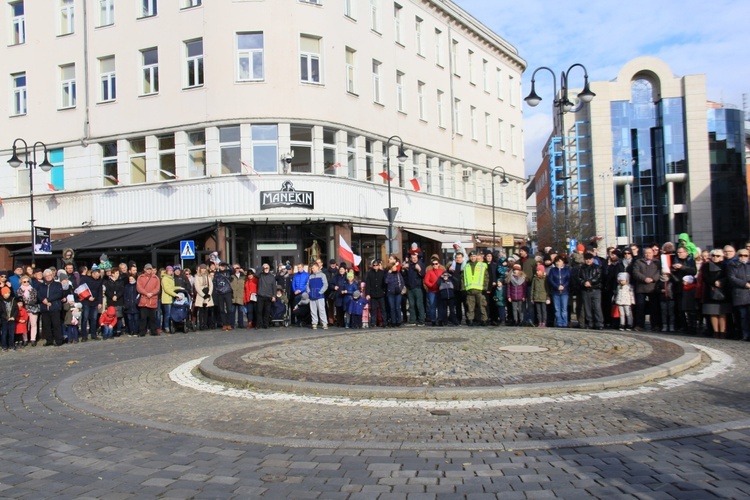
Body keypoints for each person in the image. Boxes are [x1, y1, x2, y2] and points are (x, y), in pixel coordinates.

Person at [699, 249, 731, 338]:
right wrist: (714, 283)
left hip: (723, 291)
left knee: (722, 312)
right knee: (713, 312)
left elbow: (728, 276)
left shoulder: (725, 266)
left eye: (718, 256)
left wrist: (721, 281)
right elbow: (705, 278)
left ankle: (723, 332)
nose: (715, 257)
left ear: (722, 257)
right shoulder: (706, 266)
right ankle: (716, 332)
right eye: (713, 255)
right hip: (710, 291)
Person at [632, 247, 661, 331]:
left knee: (654, 308)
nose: (648, 254)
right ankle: (640, 325)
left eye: (649, 253)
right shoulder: (638, 262)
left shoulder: (657, 262)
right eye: (646, 253)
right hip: (641, 287)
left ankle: (655, 325)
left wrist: (653, 279)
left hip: (653, 288)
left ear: (653, 253)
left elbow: (659, 272)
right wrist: (644, 278)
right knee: (640, 308)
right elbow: (635, 272)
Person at [728, 249, 750, 341]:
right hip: (740, 294)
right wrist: (744, 284)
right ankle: (745, 334)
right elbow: (732, 278)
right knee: (743, 316)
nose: (743, 257)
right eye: (741, 255)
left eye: (745, 255)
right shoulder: (733, 265)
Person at [578, 252, 604, 330]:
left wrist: (590, 282)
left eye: (590, 259)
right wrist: (584, 282)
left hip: (595, 289)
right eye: (587, 259)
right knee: (587, 308)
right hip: (585, 290)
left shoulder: (597, 267)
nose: (588, 261)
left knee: (597, 307)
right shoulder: (581, 268)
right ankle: (590, 323)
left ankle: (599, 323)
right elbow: (578, 278)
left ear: (592, 259)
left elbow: (598, 277)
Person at [39, 269, 64, 346]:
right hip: (44, 308)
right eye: (46, 276)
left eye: (49, 275)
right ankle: (49, 340)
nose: (48, 277)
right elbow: (38, 294)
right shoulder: (41, 286)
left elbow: (59, 294)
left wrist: (49, 300)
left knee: (56, 325)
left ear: (52, 275)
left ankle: (58, 340)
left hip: (55, 307)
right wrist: (44, 300)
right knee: (46, 325)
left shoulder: (57, 284)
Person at [401, 252, 426, 326]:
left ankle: (421, 321)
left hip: (418, 287)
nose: (414, 259)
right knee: (411, 305)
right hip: (410, 288)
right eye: (413, 258)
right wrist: (403, 269)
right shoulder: (409, 265)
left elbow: (423, 275)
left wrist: (419, 270)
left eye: (415, 257)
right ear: (410, 258)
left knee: (419, 305)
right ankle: (412, 320)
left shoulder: (420, 264)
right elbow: (404, 276)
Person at [136, 263, 161, 336]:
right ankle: (142, 332)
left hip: (152, 299)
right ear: (144, 269)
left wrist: (151, 293)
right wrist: (146, 293)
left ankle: (154, 331)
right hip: (144, 299)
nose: (149, 270)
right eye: (147, 269)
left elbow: (157, 288)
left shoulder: (156, 278)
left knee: (153, 317)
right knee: (143, 317)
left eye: (150, 269)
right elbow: (139, 287)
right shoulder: (140, 277)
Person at [15, 275, 40, 346]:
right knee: (24, 324)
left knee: (33, 324)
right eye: (24, 281)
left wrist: (28, 302)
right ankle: (25, 339)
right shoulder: (19, 290)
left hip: (33, 309)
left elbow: (35, 299)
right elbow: (20, 300)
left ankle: (33, 339)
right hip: (24, 309)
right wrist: (27, 302)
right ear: (21, 282)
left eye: (28, 281)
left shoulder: (33, 289)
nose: (26, 283)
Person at [547, 256, 570, 328]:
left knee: (564, 309)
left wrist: (563, 286)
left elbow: (568, 279)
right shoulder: (553, 270)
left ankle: (564, 323)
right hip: (555, 292)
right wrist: (557, 286)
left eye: (559, 261)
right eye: (557, 261)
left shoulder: (566, 270)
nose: (558, 263)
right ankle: (559, 323)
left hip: (564, 291)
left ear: (563, 262)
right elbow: (550, 280)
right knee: (557, 309)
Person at [307, 261, 329, 330]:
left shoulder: (322, 275)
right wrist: (309, 293)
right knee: (313, 310)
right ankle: (314, 323)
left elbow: (325, 285)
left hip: (320, 296)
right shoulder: (310, 276)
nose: (312, 269)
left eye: (313, 268)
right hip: (312, 296)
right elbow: (307, 286)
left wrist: (320, 292)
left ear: (317, 267)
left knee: (321, 310)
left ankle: (324, 323)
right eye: (311, 268)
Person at [424, 255, 445, 326]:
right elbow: (426, 281)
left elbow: (446, 279)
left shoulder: (442, 271)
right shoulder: (429, 272)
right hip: (432, 292)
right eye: (433, 264)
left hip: (440, 291)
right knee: (432, 306)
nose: (435, 265)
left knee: (440, 306)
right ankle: (433, 320)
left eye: (436, 264)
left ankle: (440, 320)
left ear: (438, 264)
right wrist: (431, 286)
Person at [365, 260, 386, 328]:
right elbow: (368, 284)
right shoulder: (370, 273)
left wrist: (384, 290)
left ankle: (384, 322)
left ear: (378, 265)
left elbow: (385, 283)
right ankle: (373, 322)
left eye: (376, 265)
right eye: (374, 265)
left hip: (380, 293)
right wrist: (367, 294)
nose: (375, 267)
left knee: (383, 309)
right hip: (373, 294)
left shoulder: (382, 273)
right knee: (373, 309)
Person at [104, 268, 125, 336]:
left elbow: (122, 290)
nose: (118, 275)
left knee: (118, 316)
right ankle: (113, 330)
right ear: (112, 274)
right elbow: (106, 290)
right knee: (111, 316)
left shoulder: (121, 281)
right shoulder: (107, 281)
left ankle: (118, 330)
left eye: (118, 273)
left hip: (119, 300)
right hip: (111, 300)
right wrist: (112, 296)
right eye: (116, 273)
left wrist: (117, 296)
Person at [384, 261, 405, 327]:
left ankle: (399, 321)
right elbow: (386, 281)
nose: (395, 268)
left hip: (398, 293)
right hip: (391, 293)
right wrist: (389, 274)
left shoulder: (398, 274)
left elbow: (402, 282)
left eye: (395, 266)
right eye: (394, 267)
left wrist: (401, 289)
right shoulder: (388, 274)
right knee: (392, 308)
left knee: (397, 307)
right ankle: (393, 321)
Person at [213, 262, 233, 330]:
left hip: (227, 292)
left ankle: (229, 323)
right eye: (221, 266)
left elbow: (233, 270)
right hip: (219, 293)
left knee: (229, 309)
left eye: (223, 266)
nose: (222, 267)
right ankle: (224, 324)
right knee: (221, 309)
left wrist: (228, 264)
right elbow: (215, 283)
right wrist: (216, 291)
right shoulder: (217, 274)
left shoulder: (228, 272)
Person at [256, 264, 276, 329]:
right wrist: (262, 267)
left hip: (269, 296)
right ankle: (258, 324)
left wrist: (274, 296)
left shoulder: (272, 277)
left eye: (267, 267)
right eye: (265, 268)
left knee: (267, 311)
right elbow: (256, 274)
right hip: (261, 295)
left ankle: (266, 324)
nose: (266, 269)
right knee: (259, 311)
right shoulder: (260, 275)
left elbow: (274, 287)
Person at [0, 286, 18, 351]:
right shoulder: (1, 301)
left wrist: (13, 316)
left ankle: (11, 345)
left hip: (12, 319)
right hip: (4, 320)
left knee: (11, 333)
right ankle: (4, 346)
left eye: (8, 293)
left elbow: (16, 309)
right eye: (6, 293)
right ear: (2, 293)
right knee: (4, 333)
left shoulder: (13, 300)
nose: (7, 294)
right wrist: (6, 317)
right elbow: (1, 312)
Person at [229, 264, 246, 329]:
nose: (236, 269)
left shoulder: (243, 276)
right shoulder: (231, 276)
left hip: (240, 295)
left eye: (237, 268)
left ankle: (241, 324)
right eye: (235, 268)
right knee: (232, 311)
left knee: (240, 311)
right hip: (233, 296)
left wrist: (243, 272)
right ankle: (232, 324)